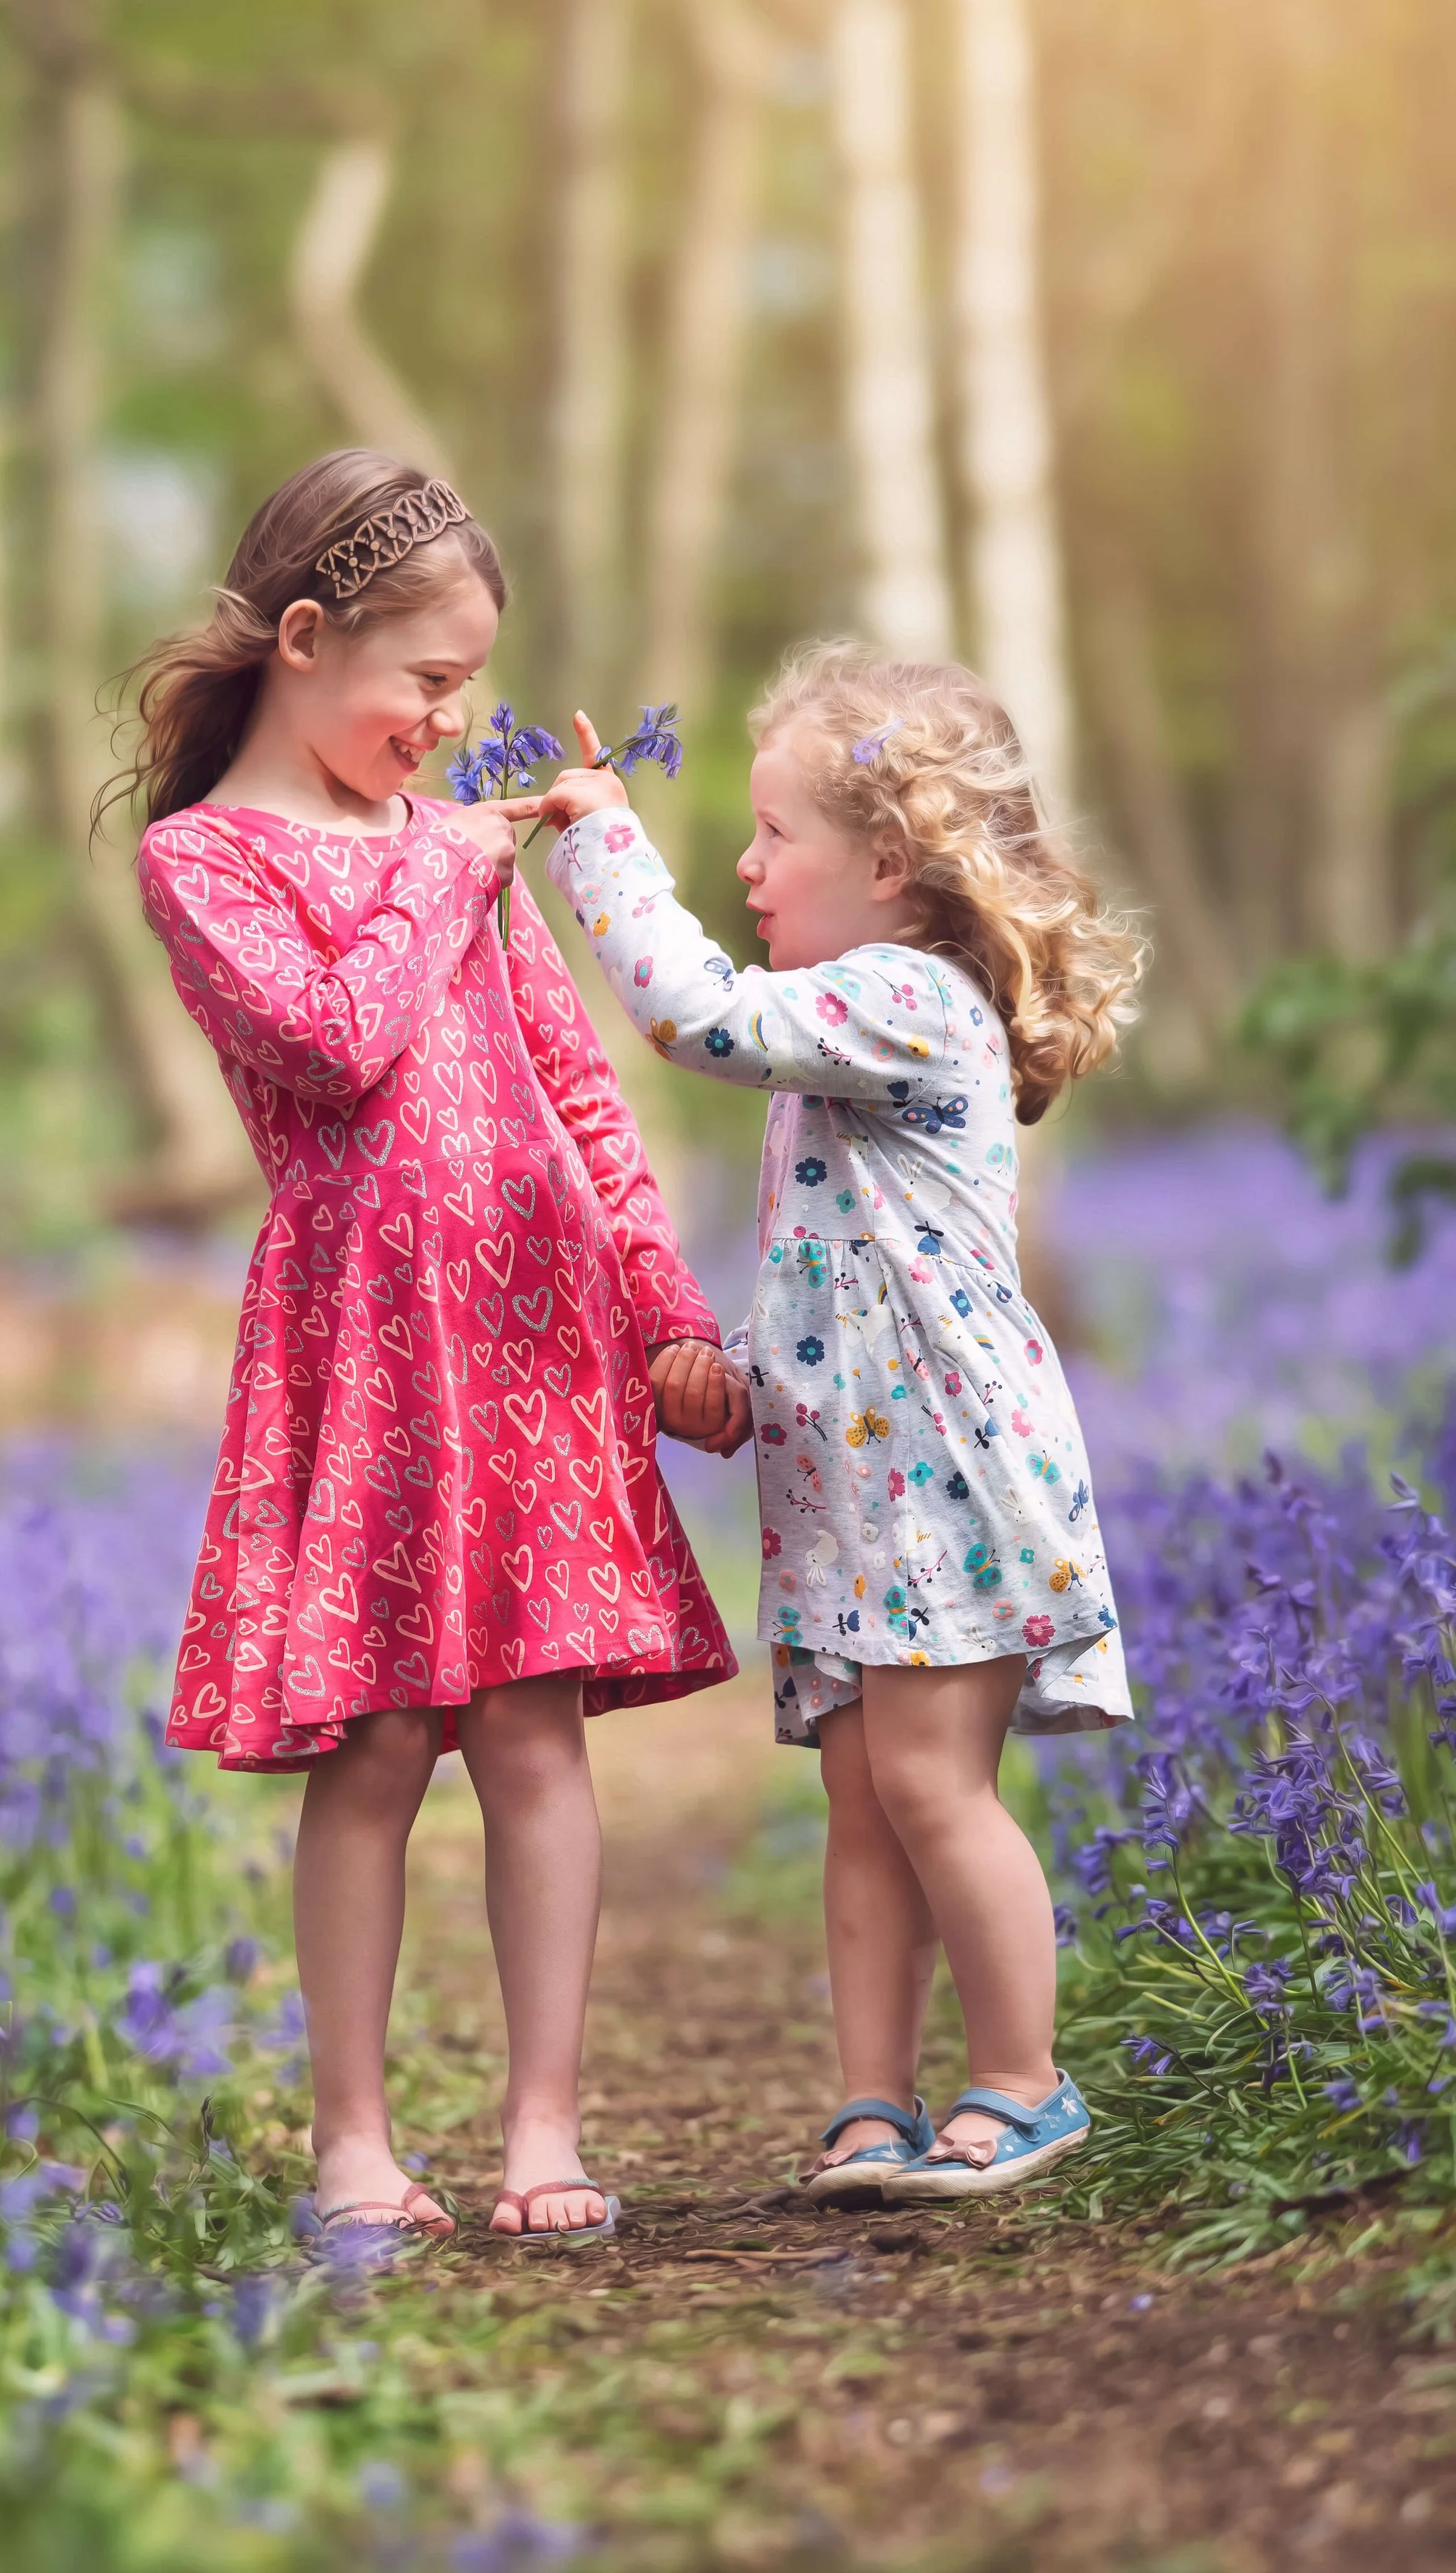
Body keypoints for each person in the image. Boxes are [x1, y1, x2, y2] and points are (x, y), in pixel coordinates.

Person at [115, 450, 746, 2247]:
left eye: (465, 692)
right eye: (427, 684)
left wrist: (662, 1310)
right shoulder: (206, 862)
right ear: (303, 641)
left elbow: (579, 1094)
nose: (447, 724)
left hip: (536, 1332)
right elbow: (332, 1042)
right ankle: (354, 2144)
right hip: (373, 1351)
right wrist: (450, 866)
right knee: (379, 1746)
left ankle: (543, 2131)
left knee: (535, 1730)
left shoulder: (441, 847)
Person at [508, 643, 1143, 2203]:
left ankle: (1022, 2080)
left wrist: (599, 838)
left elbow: (694, 1018)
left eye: (770, 832)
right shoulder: (852, 1028)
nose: (741, 863)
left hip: (951, 1476)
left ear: (888, 861)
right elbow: (849, 1273)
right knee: (862, 1805)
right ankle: (872, 2101)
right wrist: (739, 1372)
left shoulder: (910, 999)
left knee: (930, 1789)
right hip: (863, 1480)